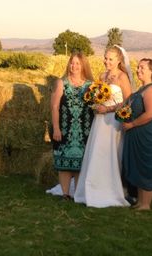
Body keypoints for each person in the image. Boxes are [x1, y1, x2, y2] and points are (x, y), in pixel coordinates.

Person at [74, 45, 133, 208]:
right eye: (105, 58)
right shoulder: (102, 75)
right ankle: (93, 186)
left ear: (119, 60)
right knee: (96, 152)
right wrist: (95, 103)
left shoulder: (122, 77)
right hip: (99, 120)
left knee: (110, 153)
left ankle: (110, 189)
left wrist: (108, 108)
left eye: (110, 59)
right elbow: (97, 95)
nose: (106, 61)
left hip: (113, 121)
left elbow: (128, 101)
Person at [122, 58, 152, 210]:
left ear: (151, 71)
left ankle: (146, 204)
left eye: (142, 68)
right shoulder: (141, 89)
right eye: (138, 67)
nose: (138, 70)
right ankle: (140, 202)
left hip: (146, 133)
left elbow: (150, 114)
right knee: (139, 166)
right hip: (136, 133)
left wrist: (132, 124)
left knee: (147, 166)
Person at [51, 52, 94, 200]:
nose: (74, 66)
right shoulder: (62, 83)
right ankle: (65, 194)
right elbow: (55, 106)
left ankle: (77, 193)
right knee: (64, 161)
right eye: (72, 62)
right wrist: (56, 128)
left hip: (84, 128)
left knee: (80, 162)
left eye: (77, 63)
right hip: (65, 127)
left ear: (83, 65)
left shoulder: (91, 85)